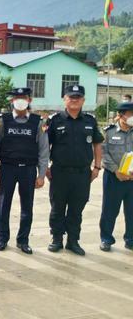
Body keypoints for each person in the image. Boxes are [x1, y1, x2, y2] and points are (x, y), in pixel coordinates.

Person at [46, 84, 103, 255]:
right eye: (71, 97)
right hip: (59, 172)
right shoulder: (55, 120)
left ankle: (73, 241)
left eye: (78, 97)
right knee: (57, 208)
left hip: (82, 174)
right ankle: (56, 239)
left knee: (76, 209)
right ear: (65, 99)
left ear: (83, 100)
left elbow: (97, 144)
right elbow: (45, 145)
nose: (74, 100)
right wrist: (45, 167)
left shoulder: (90, 121)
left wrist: (97, 167)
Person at [0, 87, 49, 254]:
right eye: (17, 98)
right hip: (7, 168)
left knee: (27, 206)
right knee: (4, 205)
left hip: (28, 170)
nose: (20, 100)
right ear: (12, 101)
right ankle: (2, 238)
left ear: (29, 100)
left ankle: (23, 240)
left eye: (23, 97)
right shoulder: (3, 120)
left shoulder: (38, 122)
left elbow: (43, 150)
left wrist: (41, 175)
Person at [99, 101, 133, 252]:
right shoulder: (109, 131)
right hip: (113, 177)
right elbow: (103, 153)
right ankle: (106, 239)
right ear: (121, 115)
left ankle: (130, 240)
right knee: (110, 210)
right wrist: (116, 171)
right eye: (130, 114)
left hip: (132, 178)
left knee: (131, 211)